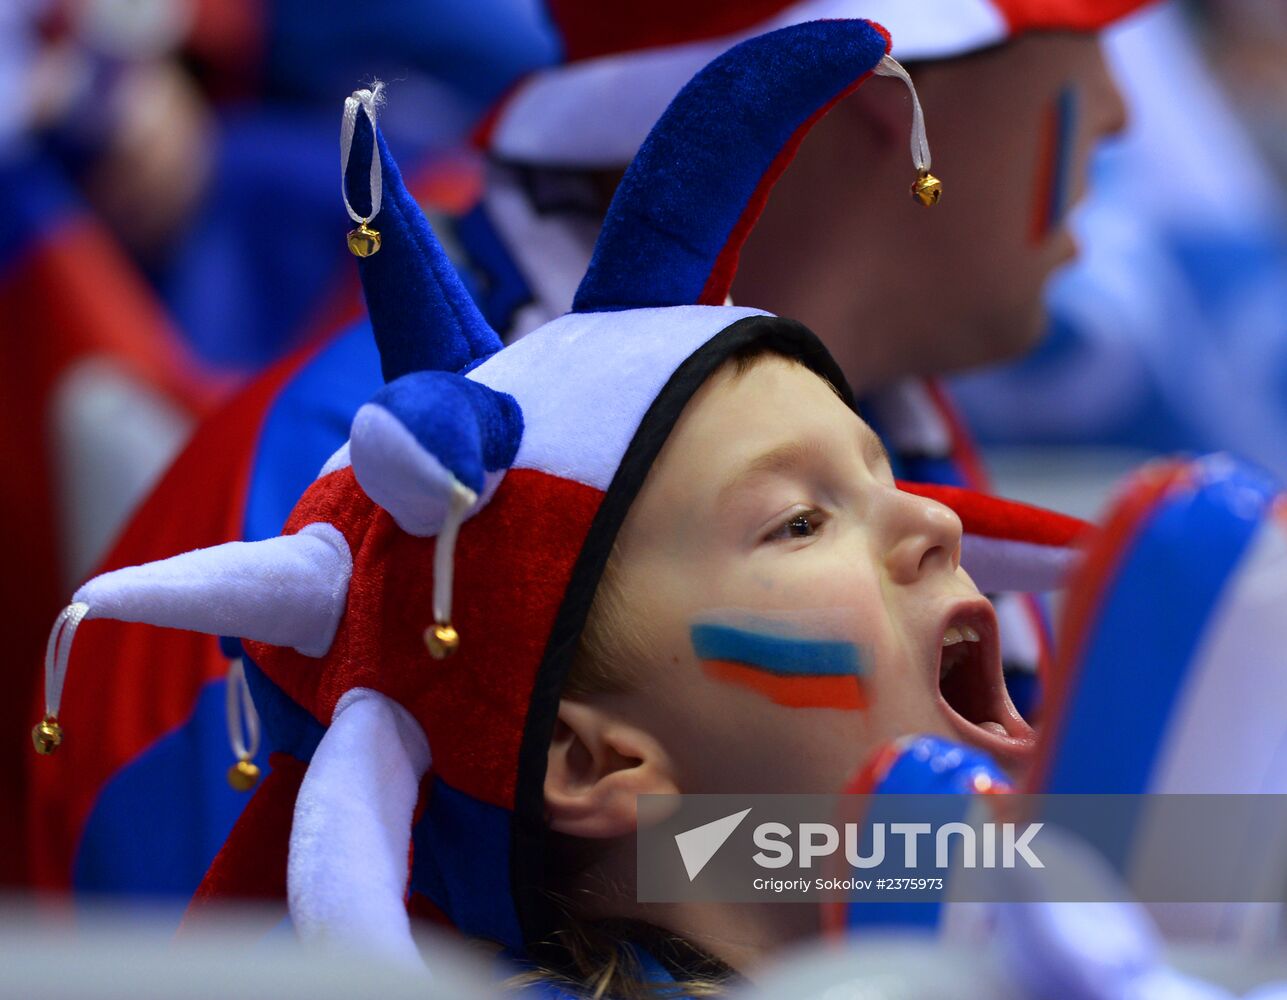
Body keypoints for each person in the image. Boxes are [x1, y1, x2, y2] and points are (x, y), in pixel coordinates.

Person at [23, 0, 1144, 902]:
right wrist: (1129, 867)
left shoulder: (877, 415)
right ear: (874, 95)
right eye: (1079, 36)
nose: (1118, 110)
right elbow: (244, 954)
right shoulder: (363, 503)